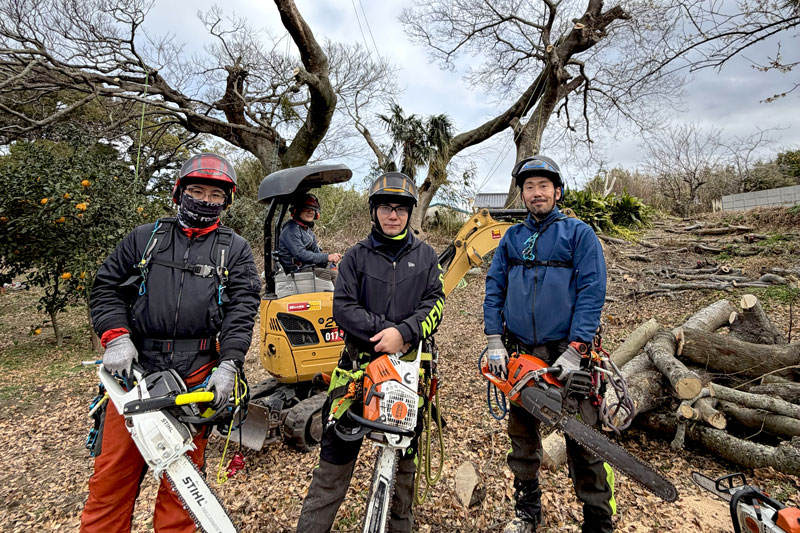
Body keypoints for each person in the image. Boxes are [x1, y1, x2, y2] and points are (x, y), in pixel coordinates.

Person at [80, 152, 261, 533]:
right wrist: (116, 337)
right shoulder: (146, 239)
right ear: (179, 193)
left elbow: (242, 310)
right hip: (134, 374)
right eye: (197, 190)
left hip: (195, 376)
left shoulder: (235, 250)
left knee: (183, 490)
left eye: (215, 195)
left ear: (225, 202)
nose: (206, 200)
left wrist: (229, 364)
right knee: (111, 479)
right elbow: (107, 287)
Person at [296, 172, 445, 533]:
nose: (392, 215)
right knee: (332, 466)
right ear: (374, 211)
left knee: (402, 472)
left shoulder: (426, 258)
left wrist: (406, 332)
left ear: (410, 213)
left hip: (409, 376)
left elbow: (436, 304)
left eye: (400, 208)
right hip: (357, 374)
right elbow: (343, 308)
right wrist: (386, 332)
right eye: (385, 208)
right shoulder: (355, 258)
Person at [483, 155, 612, 533]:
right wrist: (494, 340)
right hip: (521, 354)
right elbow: (494, 288)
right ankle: (527, 511)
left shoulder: (578, 234)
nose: (536, 193)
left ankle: (598, 522)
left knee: (584, 442)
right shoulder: (512, 238)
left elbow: (592, 292)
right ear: (521, 194)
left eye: (543, 186)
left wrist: (577, 349)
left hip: (566, 354)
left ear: (556, 191)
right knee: (522, 441)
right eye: (529, 187)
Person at [277, 192, 341, 282]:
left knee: (335, 269)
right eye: (306, 208)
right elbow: (301, 255)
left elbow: (316, 251)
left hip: (308, 268)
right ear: (297, 210)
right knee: (334, 275)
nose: (310, 211)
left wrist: (330, 259)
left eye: (313, 209)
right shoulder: (290, 230)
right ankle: (340, 296)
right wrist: (327, 257)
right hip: (296, 272)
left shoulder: (307, 230)